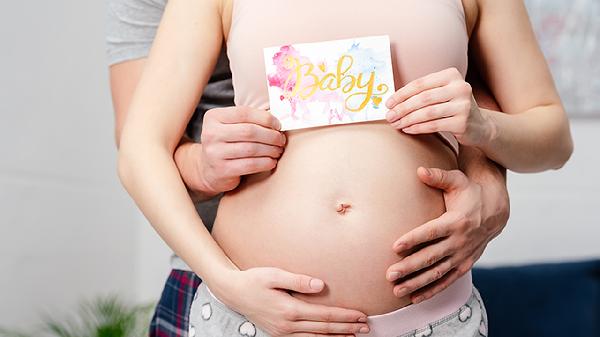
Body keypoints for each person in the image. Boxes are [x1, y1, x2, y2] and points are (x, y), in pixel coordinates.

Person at [109, 0, 572, 336]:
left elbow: (552, 137)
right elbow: (140, 149)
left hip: (429, 316)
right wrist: (225, 282)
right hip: (253, 314)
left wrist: (483, 127)